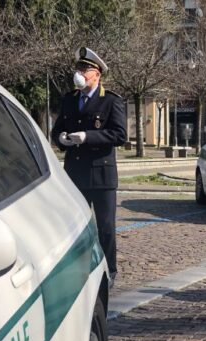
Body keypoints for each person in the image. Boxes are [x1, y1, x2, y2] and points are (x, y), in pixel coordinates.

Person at [52, 47, 127, 286]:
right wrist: (60, 139)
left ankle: (109, 270)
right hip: (75, 173)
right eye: (78, 68)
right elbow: (57, 129)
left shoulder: (111, 100)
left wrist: (88, 137)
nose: (80, 73)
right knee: (75, 226)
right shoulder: (69, 99)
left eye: (85, 69)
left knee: (105, 228)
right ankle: (79, 268)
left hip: (101, 175)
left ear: (97, 74)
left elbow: (119, 134)